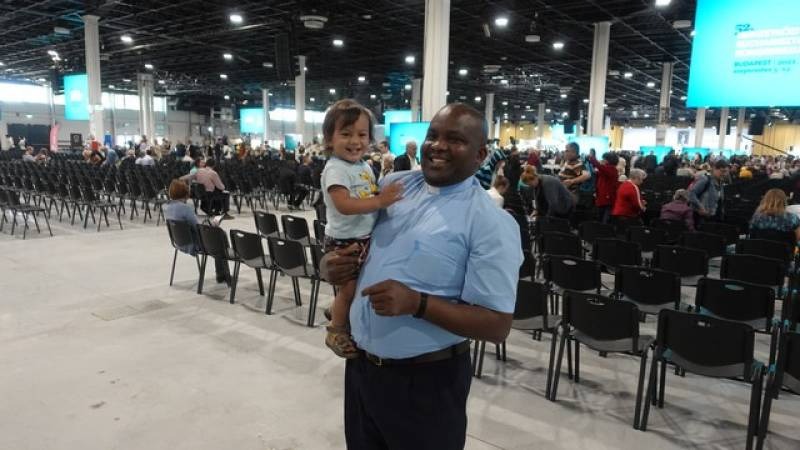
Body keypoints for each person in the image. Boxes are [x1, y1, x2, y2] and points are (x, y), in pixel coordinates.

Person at [322, 103, 521, 449]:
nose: (438, 146)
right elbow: (349, 235)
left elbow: (496, 325)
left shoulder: (491, 223)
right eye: (433, 135)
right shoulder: (392, 187)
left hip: (425, 384)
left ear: (480, 155)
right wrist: (329, 264)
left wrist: (417, 303)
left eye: (455, 139)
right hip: (361, 370)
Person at [320, 99, 404, 358]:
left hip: (363, 236)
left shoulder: (364, 166)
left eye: (362, 134)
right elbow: (344, 204)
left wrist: (383, 197)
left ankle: (336, 308)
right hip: (345, 240)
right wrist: (379, 201)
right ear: (330, 139)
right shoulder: (335, 168)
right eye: (346, 134)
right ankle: (336, 330)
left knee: (356, 286)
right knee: (349, 289)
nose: (355, 141)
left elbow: (368, 193)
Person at [163, 180, 230, 284]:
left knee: (218, 238)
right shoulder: (185, 209)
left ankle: (222, 272)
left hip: (179, 242)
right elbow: (198, 228)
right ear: (185, 193)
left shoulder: (167, 208)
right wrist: (212, 224)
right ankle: (222, 274)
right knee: (220, 236)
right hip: (193, 243)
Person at [688, 159, 729, 225]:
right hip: (701, 218)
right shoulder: (705, 179)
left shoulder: (720, 182)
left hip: (713, 217)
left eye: (726, 172)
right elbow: (691, 194)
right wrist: (700, 207)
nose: (724, 174)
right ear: (715, 169)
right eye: (722, 171)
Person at [591, 152, 620, 224]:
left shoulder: (611, 169)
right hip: (602, 197)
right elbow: (598, 171)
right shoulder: (607, 169)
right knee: (601, 217)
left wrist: (592, 158)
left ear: (608, 160)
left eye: (604, 159)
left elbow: (600, 167)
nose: (602, 160)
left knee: (605, 219)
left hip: (607, 198)